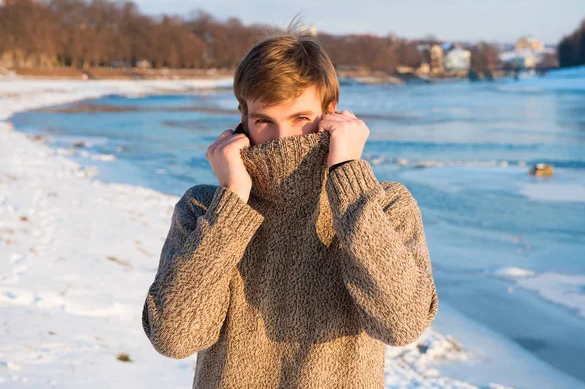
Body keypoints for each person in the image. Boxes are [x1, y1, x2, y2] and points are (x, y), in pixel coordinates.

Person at [141, 20, 438, 389]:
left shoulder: (384, 206)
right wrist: (232, 201)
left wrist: (348, 176)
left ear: (332, 114)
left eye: (300, 118)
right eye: (264, 120)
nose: (282, 138)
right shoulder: (204, 207)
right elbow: (174, 338)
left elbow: (402, 324)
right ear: (243, 121)